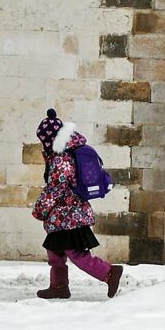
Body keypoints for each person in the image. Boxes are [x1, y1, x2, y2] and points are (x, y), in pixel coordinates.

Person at [32, 108, 122, 300]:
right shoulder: (66, 153)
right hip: (64, 215)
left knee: (76, 253)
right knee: (55, 252)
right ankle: (59, 287)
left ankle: (109, 273)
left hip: (69, 215)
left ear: (49, 139)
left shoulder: (62, 158)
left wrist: (40, 208)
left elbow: (56, 187)